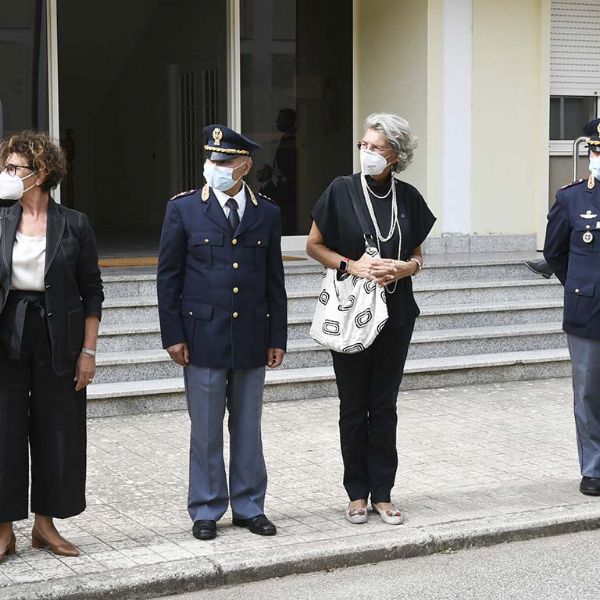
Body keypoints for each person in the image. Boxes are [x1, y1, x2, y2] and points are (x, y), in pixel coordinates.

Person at [157, 124, 287, 541]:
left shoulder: (266, 212)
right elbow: (168, 278)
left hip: (251, 334)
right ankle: (207, 508)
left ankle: (250, 506)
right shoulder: (183, 209)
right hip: (202, 336)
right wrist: (172, 334)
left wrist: (277, 337)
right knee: (207, 428)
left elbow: (274, 281)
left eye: (225, 161)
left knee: (248, 427)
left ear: (245, 166)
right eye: (211, 160)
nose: (214, 167)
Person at [306, 113, 436, 525]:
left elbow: (417, 255)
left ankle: (383, 492)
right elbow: (314, 246)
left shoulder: (409, 198)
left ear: (395, 156)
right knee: (352, 405)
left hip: (396, 314)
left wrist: (406, 269)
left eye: (376, 148)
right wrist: (353, 265)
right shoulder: (340, 190)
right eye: (364, 145)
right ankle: (355, 494)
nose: (367, 153)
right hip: (350, 314)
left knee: (384, 405)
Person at [0, 131, 103, 561]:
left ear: (40, 173)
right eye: (4, 167)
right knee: (4, 431)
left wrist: (88, 351)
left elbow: (92, 291)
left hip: (58, 336)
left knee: (56, 431)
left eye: (12, 168)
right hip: (7, 333)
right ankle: (4, 527)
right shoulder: (0, 219)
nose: (5, 175)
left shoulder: (74, 223)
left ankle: (45, 525)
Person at [544, 117, 600, 496]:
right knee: (589, 393)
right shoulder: (572, 197)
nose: (598, 156)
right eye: (597, 150)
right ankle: (594, 469)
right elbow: (554, 252)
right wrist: (582, 288)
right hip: (588, 312)